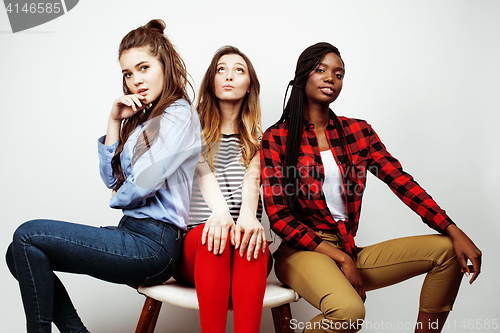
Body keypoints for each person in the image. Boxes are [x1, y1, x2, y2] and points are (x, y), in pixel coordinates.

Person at [260, 42, 482, 333]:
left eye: (339, 74)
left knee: (448, 251)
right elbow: (278, 217)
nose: (331, 78)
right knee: (349, 312)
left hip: (348, 247)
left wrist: (453, 229)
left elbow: (401, 182)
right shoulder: (277, 137)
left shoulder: (358, 132)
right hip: (303, 251)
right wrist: (339, 258)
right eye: (321, 70)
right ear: (303, 76)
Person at [5, 19, 201, 333]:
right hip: (133, 233)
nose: (136, 79)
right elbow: (113, 180)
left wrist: (119, 197)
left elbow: (143, 184)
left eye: (143, 68)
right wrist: (113, 122)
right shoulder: (140, 121)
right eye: (128, 73)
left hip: (155, 245)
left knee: (27, 234)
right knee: (18, 253)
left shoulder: (179, 114)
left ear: (164, 65)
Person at [174, 46, 268, 333]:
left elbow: (253, 178)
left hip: (241, 247)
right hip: (195, 250)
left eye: (239, 70)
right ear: (211, 81)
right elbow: (202, 171)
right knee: (211, 234)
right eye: (220, 69)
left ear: (250, 84)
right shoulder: (189, 130)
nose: (228, 76)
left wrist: (249, 217)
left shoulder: (261, 141)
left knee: (252, 239)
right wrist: (221, 215)